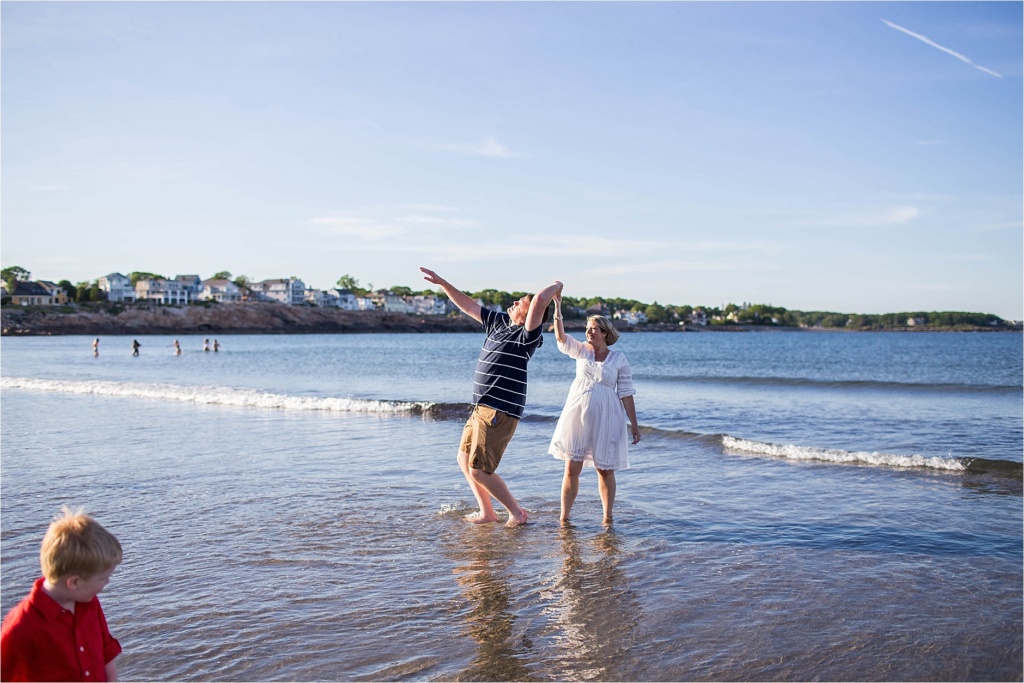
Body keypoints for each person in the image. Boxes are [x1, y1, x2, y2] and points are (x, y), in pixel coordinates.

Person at [421, 267, 562, 527]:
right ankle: (487, 512)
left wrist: (557, 288)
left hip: (500, 410)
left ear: (529, 314)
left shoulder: (527, 336)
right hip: (480, 408)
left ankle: (517, 513)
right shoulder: (498, 323)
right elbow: (468, 305)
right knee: (464, 459)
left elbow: (540, 300)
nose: (515, 302)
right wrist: (443, 283)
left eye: (521, 302)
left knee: (479, 470)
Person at [549, 292, 640, 526]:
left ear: (605, 333)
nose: (589, 332)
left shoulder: (619, 359)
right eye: (588, 328)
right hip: (578, 415)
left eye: (594, 329)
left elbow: (626, 393)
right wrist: (558, 307)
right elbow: (561, 338)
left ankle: (608, 517)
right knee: (571, 467)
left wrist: (635, 425)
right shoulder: (581, 351)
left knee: (605, 469)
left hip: (608, 417)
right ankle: (564, 517)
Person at [1, 507, 123, 682]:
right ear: (74, 582)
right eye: (104, 578)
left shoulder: (89, 603)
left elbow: (106, 651)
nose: (107, 583)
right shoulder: (21, 627)